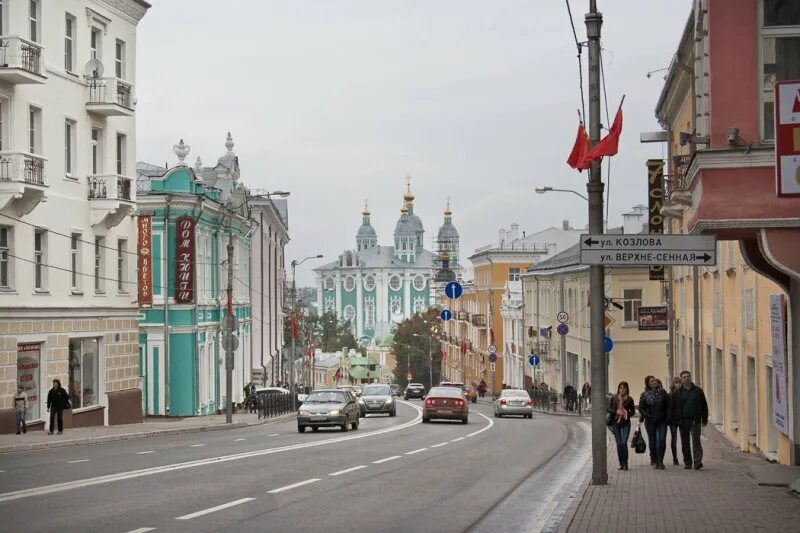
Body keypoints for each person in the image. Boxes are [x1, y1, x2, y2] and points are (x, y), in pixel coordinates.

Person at [668, 370, 709, 470]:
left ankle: (697, 462)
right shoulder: (677, 393)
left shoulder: (698, 391)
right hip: (683, 421)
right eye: (684, 377)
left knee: (696, 441)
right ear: (681, 380)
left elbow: (704, 405)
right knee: (685, 442)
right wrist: (671, 421)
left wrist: (705, 418)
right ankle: (688, 462)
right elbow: (672, 408)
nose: (687, 378)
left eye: (688, 376)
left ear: (691, 377)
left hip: (695, 420)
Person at [639, 376, 669, 470]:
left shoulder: (662, 392)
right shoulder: (644, 394)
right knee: (653, 441)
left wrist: (667, 417)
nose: (654, 382)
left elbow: (668, 405)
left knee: (662, 439)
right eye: (651, 381)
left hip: (662, 420)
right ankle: (655, 459)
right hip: (650, 421)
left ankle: (661, 461)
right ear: (648, 383)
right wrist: (648, 416)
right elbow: (641, 408)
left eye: (655, 380)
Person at [608, 381, 635, 470]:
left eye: (624, 388)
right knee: (619, 443)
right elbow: (609, 409)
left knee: (624, 443)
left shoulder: (629, 399)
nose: (622, 389)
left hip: (626, 423)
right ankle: (621, 462)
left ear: (627, 389)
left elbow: (633, 411)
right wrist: (616, 411)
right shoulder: (614, 398)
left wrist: (626, 413)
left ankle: (625, 463)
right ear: (618, 389)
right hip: (616, 423)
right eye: (620, 388)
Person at [668, 376, 682, 465]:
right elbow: (669, 408)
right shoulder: (670, 395)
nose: (678, 384)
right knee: (674, 439)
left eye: (679, 382)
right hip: (673, 420)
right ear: (673, 384)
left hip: (682, 419)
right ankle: (675, 458)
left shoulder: (683, 393)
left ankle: (686, 458)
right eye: (676, 383)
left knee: (684, 438)